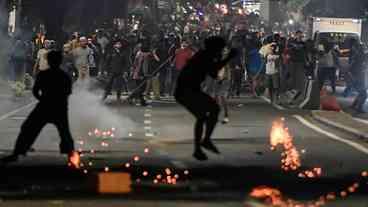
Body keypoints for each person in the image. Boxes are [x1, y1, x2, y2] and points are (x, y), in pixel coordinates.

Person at [0, 51, 80, 168]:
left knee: (28, 128)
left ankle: (17, 153)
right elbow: (67, 93)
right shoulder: (64, 76)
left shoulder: (44, 74)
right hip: (58, 108)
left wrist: (43, 99)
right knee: (64, 133)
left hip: (45, 106)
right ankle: (71, 156)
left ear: (49, 61)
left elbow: (35, 91)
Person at [174, 36, 237, 161]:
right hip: (185, 90)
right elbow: (213, 72)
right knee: (203, 115)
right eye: (219, 49)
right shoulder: (204, 56)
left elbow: (213, 73)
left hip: (192, 89)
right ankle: (201, 145)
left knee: (213, 109)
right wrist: (227, 57)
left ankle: (204, 142)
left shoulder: (206, 55)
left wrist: (221, 58)